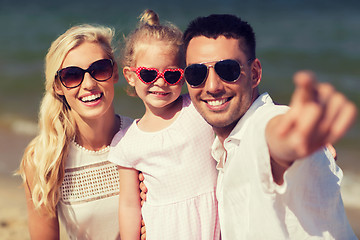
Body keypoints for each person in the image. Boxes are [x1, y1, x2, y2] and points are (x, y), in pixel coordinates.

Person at [181, 14, 358, 239]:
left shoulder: (268, 123)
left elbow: (273, 142)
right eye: (196, 73)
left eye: (228, 70)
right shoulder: (222, 150)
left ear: (254, 73)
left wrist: (291, 144)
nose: (212, 86)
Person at [109, 10, 220, 240]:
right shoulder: (128, 142)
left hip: (215, 223)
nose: (160, 82)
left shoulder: (198, 109)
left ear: (185, 75)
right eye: (148, 74)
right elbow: (130, 205)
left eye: (171, 75)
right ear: (130, 76)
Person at [18, 24, 133, 239]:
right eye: (72, 76)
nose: (89, 84)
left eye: (100, 69)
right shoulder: (43, 158)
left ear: (115, 72)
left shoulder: (142, 138)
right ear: (58, 86)